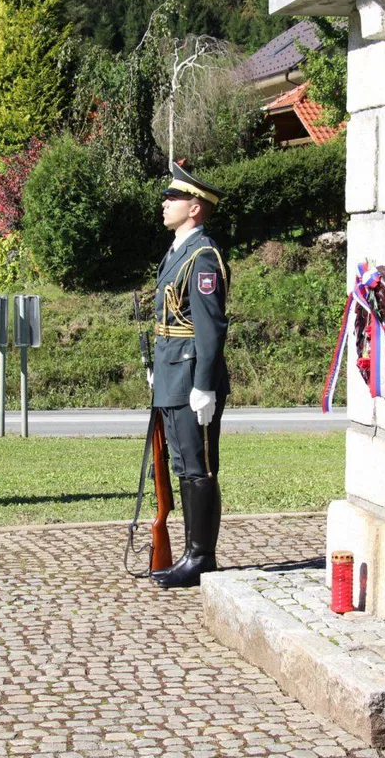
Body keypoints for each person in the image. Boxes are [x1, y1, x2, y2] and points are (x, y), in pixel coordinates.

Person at [149, 162, 230, 589]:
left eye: (173, 197)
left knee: (198, 468)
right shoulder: (179, 251)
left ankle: (201, 557)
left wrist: (204, 385)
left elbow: (210, 327)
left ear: (194, 207)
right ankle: (189, 551)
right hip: (171, 374)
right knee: (181, 465)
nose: (165, 203)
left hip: (191, 379)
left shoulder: (202, 258)